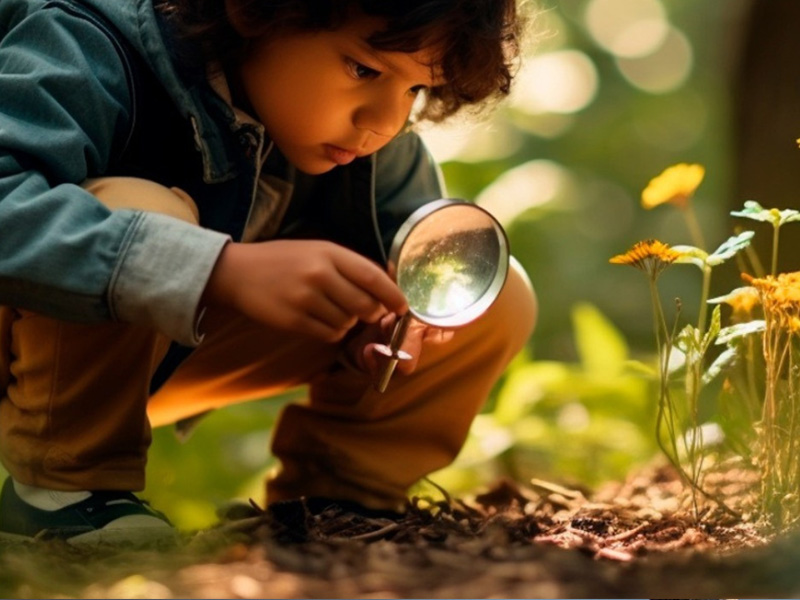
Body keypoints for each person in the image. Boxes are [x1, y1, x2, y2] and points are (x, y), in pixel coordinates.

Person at [0, 0, 537, 545]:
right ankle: (63, 494)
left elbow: (419, 268)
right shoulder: (87, 43)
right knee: (141, 210)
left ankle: (339, 505)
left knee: (496, 295)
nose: (383, 122)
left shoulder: (373, 154)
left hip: (151, 364)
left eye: (414, 90)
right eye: (364, 70)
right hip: (25, 342)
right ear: (256, 12)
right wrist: (216, 270)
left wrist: (385, 328)